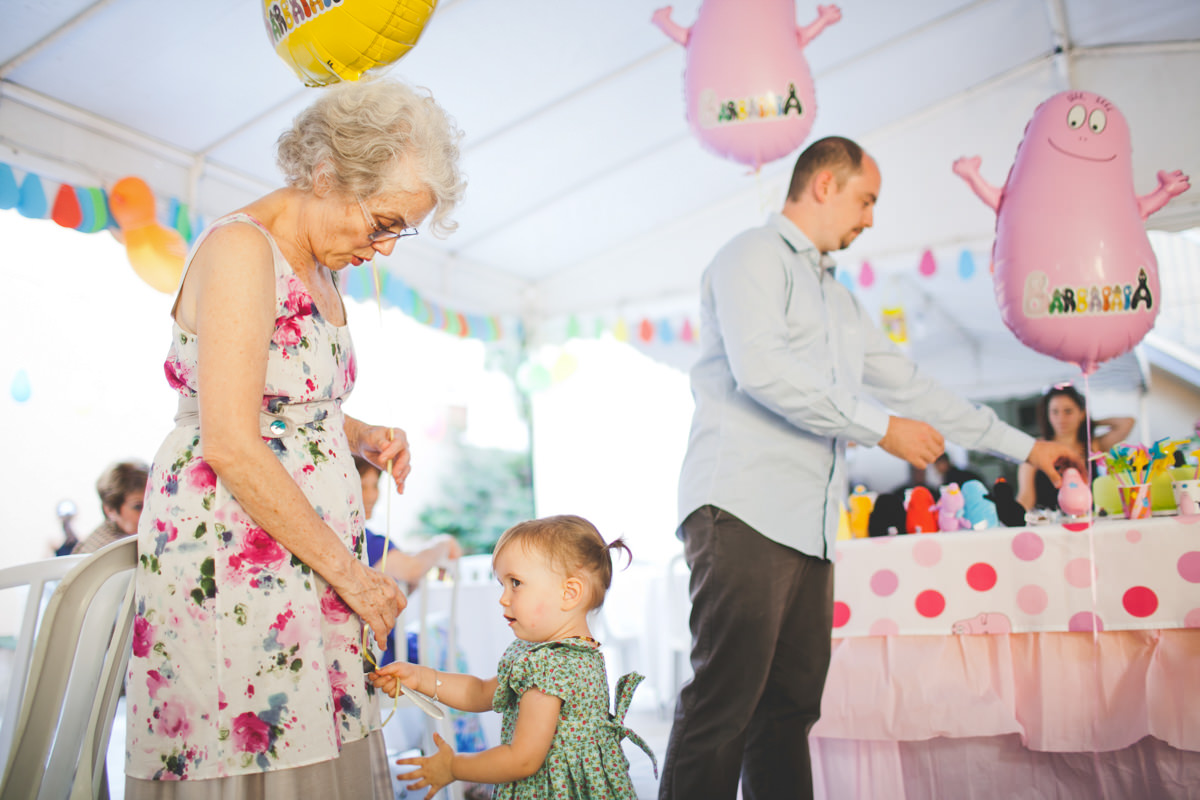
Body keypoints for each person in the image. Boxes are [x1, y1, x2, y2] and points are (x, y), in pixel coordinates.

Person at [662, 136, 1083, 800]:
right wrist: (881, 428)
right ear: (825, 184)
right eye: (866, 199)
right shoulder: (751, 256)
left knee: (789, 713)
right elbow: (762, 371)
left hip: (810, 525)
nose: (871, 219)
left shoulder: (838, 300)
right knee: (724, 706)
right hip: (741, 508)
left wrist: (1026, 447)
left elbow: (913, 388)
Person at [125, 77, 465, 798]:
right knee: (250, 752)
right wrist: (356, 576)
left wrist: (360, 432)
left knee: (311, 745)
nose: (385, 248)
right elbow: (231, 438)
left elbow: (285, 401)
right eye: (383, 222)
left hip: (302, 557)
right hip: (236, 556)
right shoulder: (243, 251)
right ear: (327, 176)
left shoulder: (318, 261)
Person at [369, 515, 656, 799]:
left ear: (569, 593)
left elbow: (522, 759)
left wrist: (453, 766)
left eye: (516, 583)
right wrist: (422, 678)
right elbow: (481, 692)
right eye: (502, 584)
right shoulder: (553, 653)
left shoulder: (552, 665)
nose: (503, 598)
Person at [354, 454, 463, 665]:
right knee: (444, 630)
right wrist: (443, 542)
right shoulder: (365, 540)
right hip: (381, 655)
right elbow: (412, 569)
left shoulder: (365, 540)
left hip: (378, 648)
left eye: (375, 486)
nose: (371, 495)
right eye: (362, 486)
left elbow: (407, 570)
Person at [1016, 384, 1134, 511]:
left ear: (1082, 413)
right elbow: (1026, 498)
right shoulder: (1037, 449)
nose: (1061, 418)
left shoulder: (1093, 446)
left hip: (1090, 523)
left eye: (1068, 411)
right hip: (1051, 525)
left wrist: (1090, 423)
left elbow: (1127, 423)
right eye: (1055, 412)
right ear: (1047, 415)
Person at [72, 460, 149, 555]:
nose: (150, 513)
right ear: (110, 510)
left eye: (151, 504)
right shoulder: (110, 552)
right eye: (138, 507)